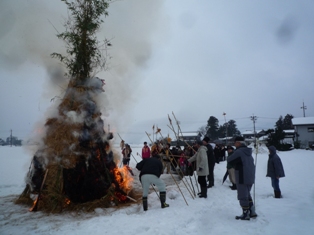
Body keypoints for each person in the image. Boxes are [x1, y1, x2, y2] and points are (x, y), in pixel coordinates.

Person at [227, 136, 257, 220]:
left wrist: (231, 153)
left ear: (238, 143)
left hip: (241, 176)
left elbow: (229, 160)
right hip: (250, 176)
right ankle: (252, 211)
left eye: (235, 142)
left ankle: (245, 214)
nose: (234, 144)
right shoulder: (248, 152)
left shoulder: (239, 152)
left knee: (242, 196)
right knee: (247, 194)